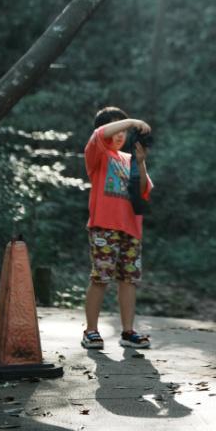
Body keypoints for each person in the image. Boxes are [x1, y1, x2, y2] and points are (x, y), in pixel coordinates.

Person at [82, 106, 153, 350]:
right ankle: (91, 331)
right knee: (101, 277)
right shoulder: (98, 155)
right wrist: (131, 120)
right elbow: (101, 134)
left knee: (129, 280)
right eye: (117, 128)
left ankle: (128, 331)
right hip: (104, 227)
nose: (120, 134)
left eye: (123, 129)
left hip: (131, 229)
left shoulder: (128, 159)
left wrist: (141, 163)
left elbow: (144, 190)